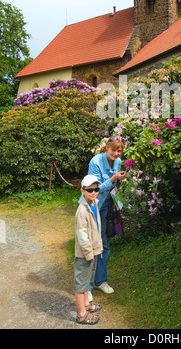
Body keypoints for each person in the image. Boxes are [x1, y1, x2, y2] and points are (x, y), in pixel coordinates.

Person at [87, 136, 126, 299]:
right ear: (107, 148)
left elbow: (111, 185)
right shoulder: (95, 162)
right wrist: (113, 179)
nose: (116, 154)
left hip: (107, 206)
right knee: (90, 245)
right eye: (113, 150)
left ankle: (101, 281)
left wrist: (115, 187)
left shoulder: (117, 161)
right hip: (93, 206)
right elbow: (93, 189)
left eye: (119, 151)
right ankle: (86, 287)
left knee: (104, 244)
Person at [74, 174, 103, 325]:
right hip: (85, 253)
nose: (93, 192)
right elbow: (82, 236)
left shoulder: (94, 203)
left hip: (94, 251)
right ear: (82, 191)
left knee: (87, 279)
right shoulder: (82, 211)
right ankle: (81, 314)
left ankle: (86, 304)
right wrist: (88, 253)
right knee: (81, 283)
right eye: (89, 190)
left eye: (96, 189)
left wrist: (99, 247)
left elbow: (96, 229)